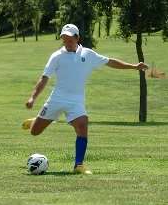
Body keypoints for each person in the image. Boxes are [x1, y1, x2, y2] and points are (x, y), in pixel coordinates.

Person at [23, 24, 148, 175]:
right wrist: (32, 98)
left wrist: (134, 66)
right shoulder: (56, 56)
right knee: (35, 132)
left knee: (82, 125)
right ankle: (35, 121)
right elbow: (44, 79)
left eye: (69, 38)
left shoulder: (88, 54)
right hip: (56, 98)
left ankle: (78, 165)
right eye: (64, 38)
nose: (67, 41)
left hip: (76, 101)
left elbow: (110, 62)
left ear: (77, 38)